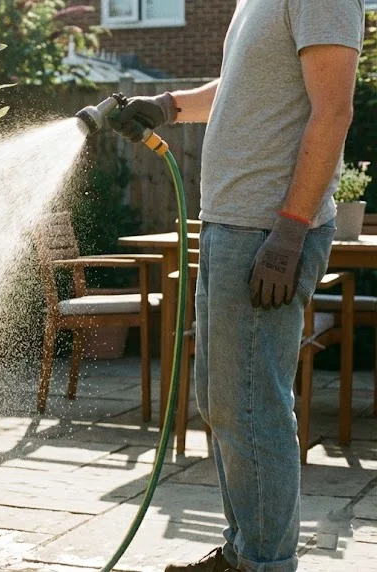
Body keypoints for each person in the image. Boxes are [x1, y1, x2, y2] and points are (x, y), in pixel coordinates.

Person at [108, 0, 365, 571]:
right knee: (226, 402)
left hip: (266, 233)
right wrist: (169, 105)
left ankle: (264, 564)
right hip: (232, 228)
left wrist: (291, 230)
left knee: (253, 407)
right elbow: (246, 86)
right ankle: (244, 553)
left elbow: (334, 111)